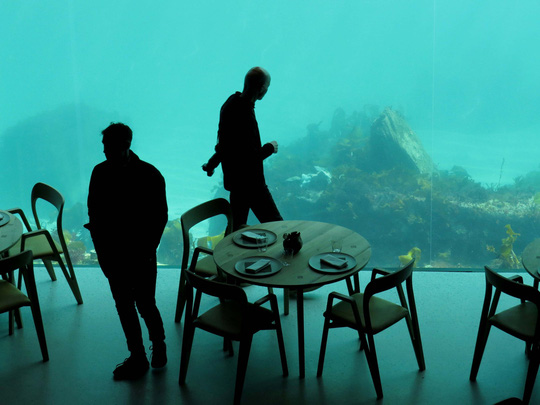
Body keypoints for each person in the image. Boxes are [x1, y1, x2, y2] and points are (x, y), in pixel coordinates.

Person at [86, 123, 168, 380]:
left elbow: (159, 218)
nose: (104, 151)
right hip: (122, 255)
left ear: (125, 145)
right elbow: (94, 213)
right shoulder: (148, 174)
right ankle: (142, 353)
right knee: (129, 305)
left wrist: (146, 250)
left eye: (108, 146)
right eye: (104, 146)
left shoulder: (147, 175)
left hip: (134, 254)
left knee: (142, 303)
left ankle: (152, 348)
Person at [203, 66, 283, 230]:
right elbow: (249, 158)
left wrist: (212, 163)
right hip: (252, 185)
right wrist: (270, 147)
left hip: (235, 182)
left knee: (236, 229)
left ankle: (227, 248)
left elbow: (225, 145)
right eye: (267, 87)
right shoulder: (245, 113)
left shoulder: (230, 103)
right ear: (262, 88)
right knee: (278, 227)